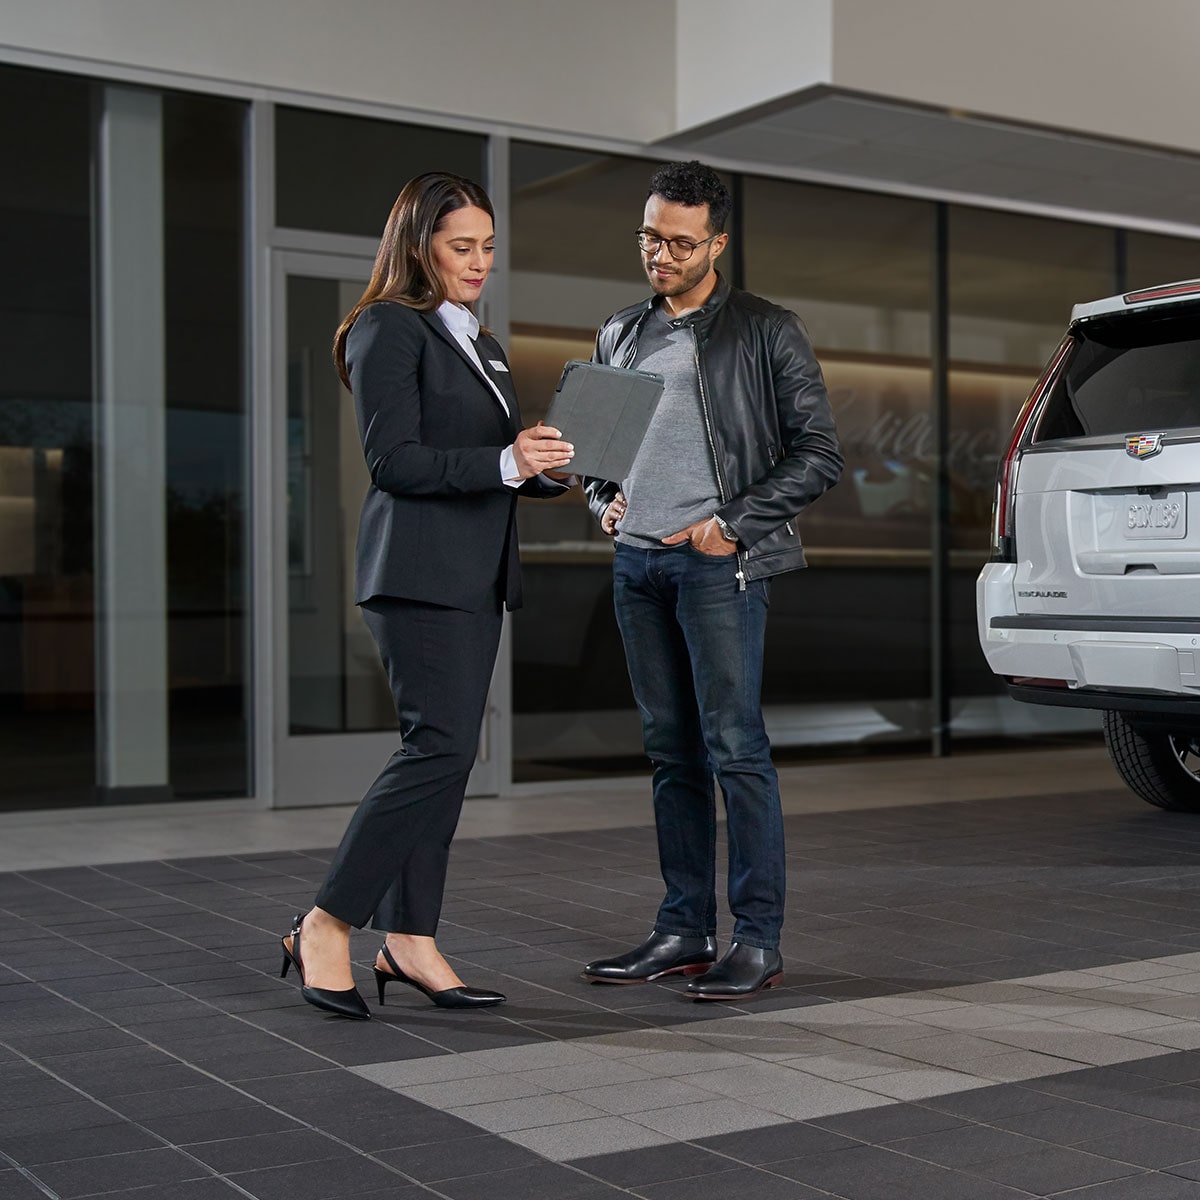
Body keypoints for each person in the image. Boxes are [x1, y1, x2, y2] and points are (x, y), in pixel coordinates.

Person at [280, 173, 573, 1020]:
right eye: (461, 247)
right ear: (419, 247)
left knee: (446, 760)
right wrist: (505, 463)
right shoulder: (386, 328)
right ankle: (326, 923)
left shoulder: (478, 341)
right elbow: (395, 462)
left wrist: (545, 464)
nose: (480, 262)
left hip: (474, 576)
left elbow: (495, 461)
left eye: (487, 246)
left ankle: (410, 940)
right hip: (415, 573)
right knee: (437, 751)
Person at [581, 161, 842, 1001]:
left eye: (679, 242)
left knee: (736, 751)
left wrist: (728, 528)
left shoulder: (767, 329)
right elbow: (594, 453)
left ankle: (757, 940)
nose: (660, 254)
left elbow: (819, 455)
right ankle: (682, 929)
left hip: (714, 567)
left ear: (717, 244)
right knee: (670, 752)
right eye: (650, 236)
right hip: (639, 564)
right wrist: (601, 500)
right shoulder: (621, 332)